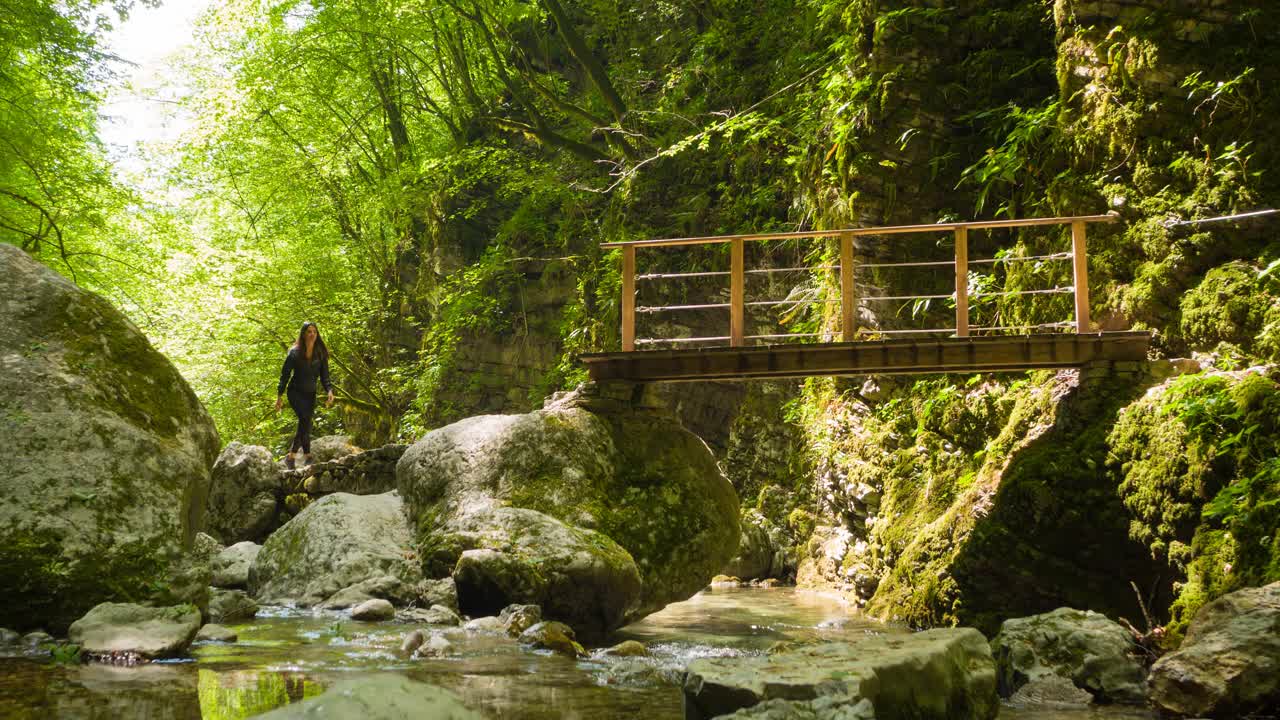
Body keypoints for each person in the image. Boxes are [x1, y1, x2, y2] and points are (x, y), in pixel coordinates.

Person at [275, 321, 334, 468]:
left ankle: (297, 456)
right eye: (309, 331)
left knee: (305, 422)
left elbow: (325, 375)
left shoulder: (320, 353)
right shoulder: (294, 352)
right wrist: (279, 395)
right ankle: (298, 455)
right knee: (304, 418)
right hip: (295, 392)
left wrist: (329, 391)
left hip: (310, 393)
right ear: (303, 334)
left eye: (314, 331)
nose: (312, 334)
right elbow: (285, 374)